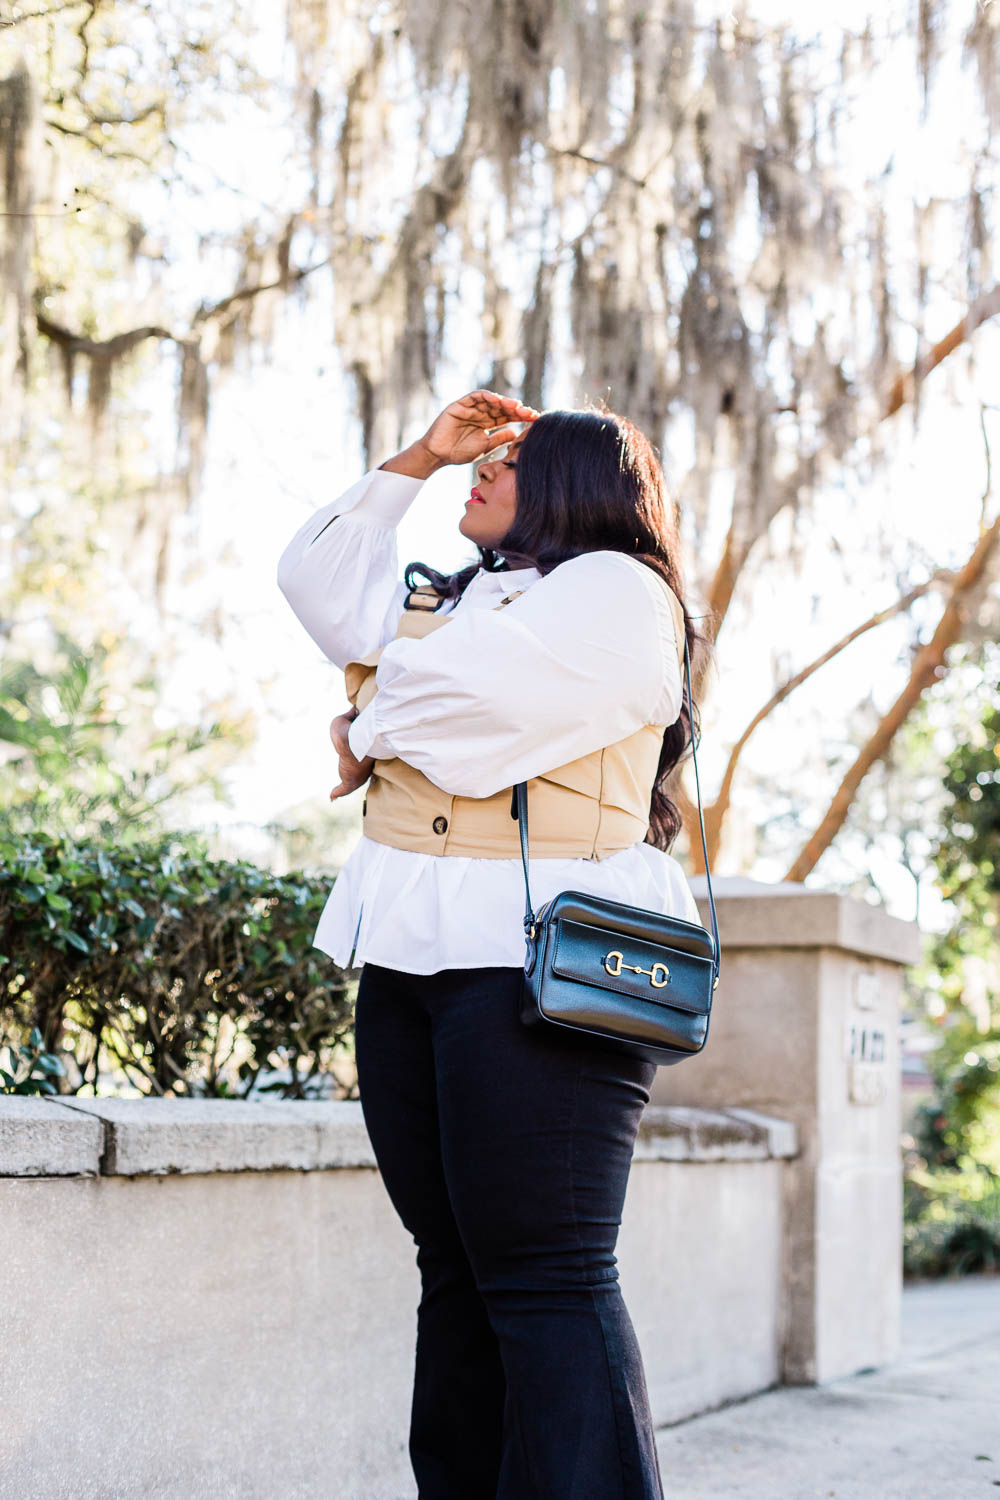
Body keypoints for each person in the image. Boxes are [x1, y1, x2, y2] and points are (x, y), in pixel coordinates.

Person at [276, 390, 706, 1500]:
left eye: (513, 464)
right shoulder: (470, 594)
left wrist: (360, 719)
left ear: (573, 488)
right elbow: (319, 586)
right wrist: (419, 457)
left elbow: (463, 722)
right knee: (457, 1273)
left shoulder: (617, 592)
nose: (485, 472)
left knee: (547, 1275)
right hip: (413, 959)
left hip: (540, 971)